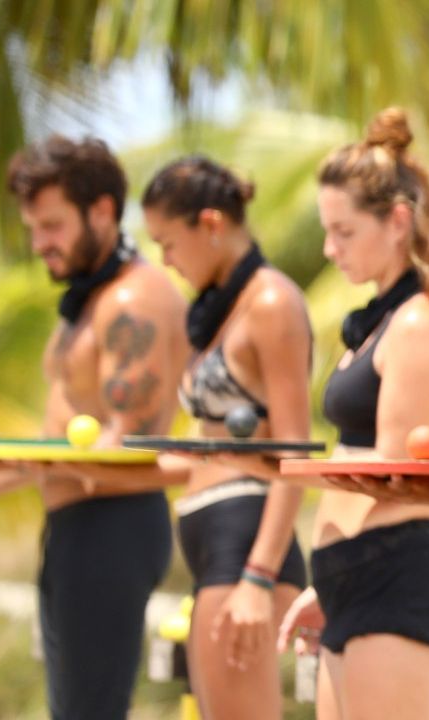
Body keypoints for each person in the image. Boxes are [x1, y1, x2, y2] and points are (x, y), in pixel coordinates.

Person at [0, 135, 188, 719]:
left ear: (102, 211)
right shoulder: (91, 299)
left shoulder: (133, 302)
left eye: (52, 225)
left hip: (112, 528)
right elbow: (69, 443)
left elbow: (122, 449)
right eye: (34, 228)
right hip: (78, 526)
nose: (39, 243)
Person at [268, 108, 429, 720]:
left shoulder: (419, 322)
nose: (328, 249)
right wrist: (329, 582)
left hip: (394, 580)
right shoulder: (378, 323)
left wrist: (279, 471)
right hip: (351, 579)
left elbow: (391, 474)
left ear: (397, 221)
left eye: (343, 232)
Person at [137, 156, 311, 719]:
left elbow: (294, 453)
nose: (165, 260)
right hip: (212, 535)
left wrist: (257, 576)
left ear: (210, 224)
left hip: (245, 539)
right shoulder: (218, 309)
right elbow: (204, 453)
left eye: (168, 243)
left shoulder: (271, 303)